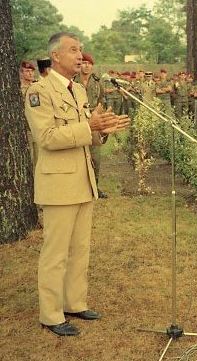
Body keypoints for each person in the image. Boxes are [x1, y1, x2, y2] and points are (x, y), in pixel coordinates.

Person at [24, 32, 130, 337]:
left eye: (81, 50)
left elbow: (89, 136)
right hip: (58, 185)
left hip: (82, 182)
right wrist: (89, 127)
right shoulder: (39, 92)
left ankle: (74, 302)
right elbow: (46, 138)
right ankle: (51, 313)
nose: (80, 55)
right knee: (56, 253)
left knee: (80, 248)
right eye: (73, 50)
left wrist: (103, 130)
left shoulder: (80, 91)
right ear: (55, 56)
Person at [74, 52, 108, 198]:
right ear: (80, 65)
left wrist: (102, 123)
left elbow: (102, 101)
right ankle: (77, 187)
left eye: (89, 64)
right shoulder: (73, 80)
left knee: (95, 156)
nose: (86, 66)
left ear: (92, 67)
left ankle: (95, 186)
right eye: (84, 63)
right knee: (77, 156)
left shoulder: (97, 82)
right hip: (78, 120)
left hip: (94, 119)